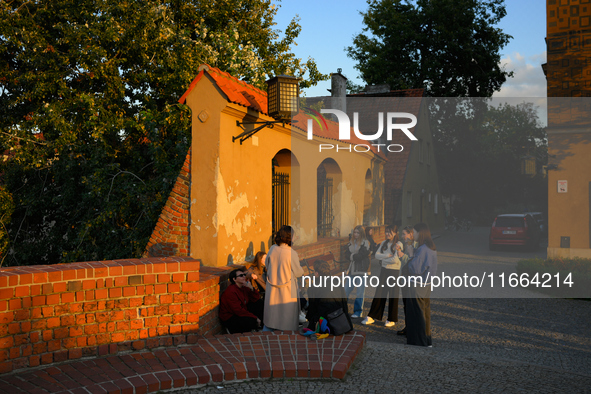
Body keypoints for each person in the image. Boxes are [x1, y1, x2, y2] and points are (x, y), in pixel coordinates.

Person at [264, 225, 304, 331]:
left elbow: (267, 266)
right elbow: (299, 272)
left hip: (272, 287)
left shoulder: (272, 249)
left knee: (271, 319)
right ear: (290, 237)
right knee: (287, 320)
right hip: (287, 289)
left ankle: (266, 339)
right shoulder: (292, 253)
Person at [362, 225, 404, 328]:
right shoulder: (383, 243)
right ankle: (373, 315)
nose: (387, 234)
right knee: (380, 292)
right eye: (386, 232)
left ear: (395, 233)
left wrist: (383, 259)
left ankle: (391, 318)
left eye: (389, 232)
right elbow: (376, 255)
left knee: (393, 294)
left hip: (394, 271)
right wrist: (386, 256)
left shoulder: (399, 244)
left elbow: (395, 259)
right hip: (384, 270)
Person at [406, 223, 438, 347]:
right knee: (425, 313)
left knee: (418, 314)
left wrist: (410, 255)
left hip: (417, 285)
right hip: (427, 284)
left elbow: (415, 269)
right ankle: (427, 339)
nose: (413, 235)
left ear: (420, 233)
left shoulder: (423, 249)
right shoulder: (431, 247)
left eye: (414, 232)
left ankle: (419, 341)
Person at [306, 260, 352, 332]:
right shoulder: (337, 282)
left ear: (317, 273)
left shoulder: (312, 288)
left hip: (325, 323)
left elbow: (312, 309)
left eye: (314, 271)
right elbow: (344, 302)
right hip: (340, 319)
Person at [219, 268, 264, 334]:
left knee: (259, 303)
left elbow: (256, 298)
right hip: (230, 317)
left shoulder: (244, 286)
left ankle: (260, 326)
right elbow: (238, 310)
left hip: (242, 309)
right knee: (251, 321)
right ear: (234, 279)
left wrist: (251, 288)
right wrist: (255, 317)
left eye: (244, 275)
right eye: (241, 275)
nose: (244, 277)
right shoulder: (231, 291)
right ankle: (246, 332)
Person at [344, 225, 371, 318]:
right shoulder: (351, 242)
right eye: (354, 232)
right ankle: (343, 309)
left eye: (358, 232)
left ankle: (358, 311)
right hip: (351, 270)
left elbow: (361, 256)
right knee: (346, 290)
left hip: (361, 270)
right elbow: (346, 254)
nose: (355, 234)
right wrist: (353, 256)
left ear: (361, 233)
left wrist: (352, 256)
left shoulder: (365, 243)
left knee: (360, 292)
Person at [397, 225, 417, 336]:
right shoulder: (406, 245)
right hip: (404, 278)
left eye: (404, 234)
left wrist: (402, 255)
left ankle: (413, 328)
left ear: (411, 234)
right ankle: (407, 326)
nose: (402, 236)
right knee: (406, 304)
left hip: (411, 279)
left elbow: (413, 262)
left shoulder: (415, 245)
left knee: (411, 304)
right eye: (402, 234)